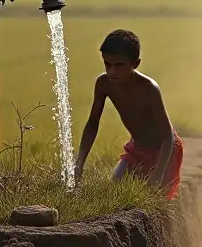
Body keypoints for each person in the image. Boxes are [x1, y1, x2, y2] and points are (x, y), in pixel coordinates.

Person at [74, 29, 184, 199]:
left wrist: (159, 172)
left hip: (164, 150)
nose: (112, 72)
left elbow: (167, 136)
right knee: (114, 190)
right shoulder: (103, 84)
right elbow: (93, 123)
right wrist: (80, 162)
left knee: (156, 200)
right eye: (107, 64)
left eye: (119, 65)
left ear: (136, 63)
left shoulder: (149, 89)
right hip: (136, 149)